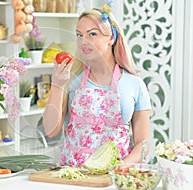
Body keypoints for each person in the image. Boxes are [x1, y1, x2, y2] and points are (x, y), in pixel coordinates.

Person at [42, 3, 151, 167]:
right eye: (79, 35)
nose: (83, 41)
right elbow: (51, 130)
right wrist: (57, 85)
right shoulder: (71, 79)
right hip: (74, 176)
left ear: (111, 38)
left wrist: (121, 167)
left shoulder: (135, 84)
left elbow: (143, 143)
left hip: (113, 179)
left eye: (92, 34)